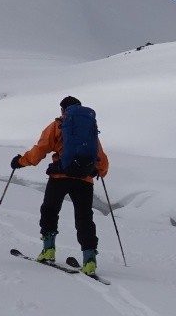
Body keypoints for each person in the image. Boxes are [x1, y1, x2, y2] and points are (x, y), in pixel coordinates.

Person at [10, 96, 110, 275]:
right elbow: (100, 157)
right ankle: (89, 261)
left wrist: (20, 161)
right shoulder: (89, 129)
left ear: (63, 110)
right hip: (84, 180)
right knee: (84, 218)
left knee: (49, 210)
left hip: (60, 177)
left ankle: (48, 250)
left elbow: (40, 150)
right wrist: (100, 171)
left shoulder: (57, 125)